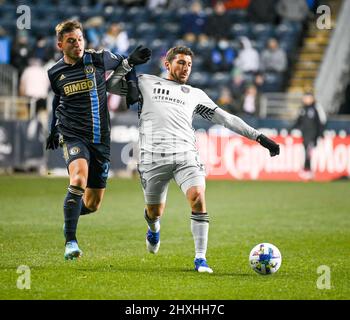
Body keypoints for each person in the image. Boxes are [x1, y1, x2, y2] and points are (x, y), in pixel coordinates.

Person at [108, 46, 280, 273]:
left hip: (185, 155)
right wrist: (128, 64)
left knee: (198, 196)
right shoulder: (145, 82)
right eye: (180, 62)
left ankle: (200, 259)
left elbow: (227, 119)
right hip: (152, 159)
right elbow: (109, 86)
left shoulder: (195, 95)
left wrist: (258, 137)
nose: (185, 68)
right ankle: (153, 228)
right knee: (155, 211)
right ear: (167, 64)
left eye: (189, 64)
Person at [45, 20, 151, 260]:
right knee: (78, 178)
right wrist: (53, 128)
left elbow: (127, 63)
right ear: (60, 44)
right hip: (73, 134)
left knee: (92, 205)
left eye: (80, 39)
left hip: (100, 139)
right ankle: (70, 241)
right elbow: (56, 98)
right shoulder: (55, 72)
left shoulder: (98, 58)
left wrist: (132, 85)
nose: (77, 44)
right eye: (71, 41)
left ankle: (69, 219)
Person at [291, 91, 326, 180]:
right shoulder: (302, 109)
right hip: (304, 136)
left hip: (313, 136)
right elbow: (298, 122)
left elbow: (321, 122)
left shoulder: (316, 108)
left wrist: (320, 134)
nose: (306, 99)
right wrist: (292, 130)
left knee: (309, 153)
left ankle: (309, 170)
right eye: (305, 97)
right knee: (305, 153)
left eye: (308, 97)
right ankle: (307, 170)